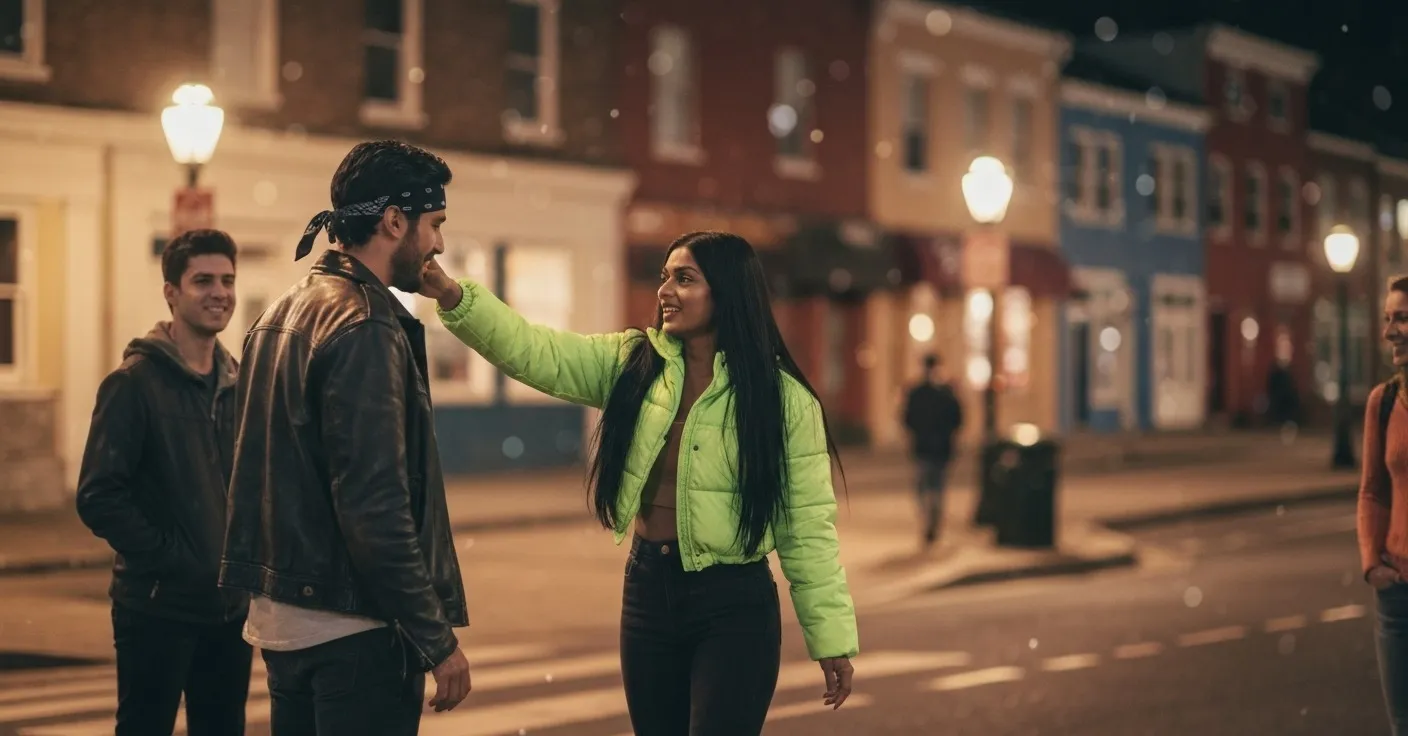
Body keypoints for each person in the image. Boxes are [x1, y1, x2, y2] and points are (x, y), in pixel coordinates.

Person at [420, 230, 859, 735]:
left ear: (729, 291)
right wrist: (455, 297)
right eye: (665, 277)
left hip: (733, 603)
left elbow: (807, 528)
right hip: (649, 591)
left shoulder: (782, 400)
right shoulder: (633, 364)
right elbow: (536, 352)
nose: (665, 291)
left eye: (685, 278)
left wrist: (831, 637)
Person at [220, 140, 471, 736]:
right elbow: (375, 504)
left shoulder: (280, 311)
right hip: (353, 627)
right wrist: (436, 640)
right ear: (393, 221)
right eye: (434, 225)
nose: (438, 244)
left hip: (285, 618)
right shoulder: (364, 322)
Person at [75, 229, 251, 736]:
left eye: (227, 280)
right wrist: (174, 560)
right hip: (157, 608)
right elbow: (99, 496)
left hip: (230, 611)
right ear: (171, 291)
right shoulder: (133, 384)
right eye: (203, 280)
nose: (219, 292)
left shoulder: (240, 383)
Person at [1364, 274, 1408, 735]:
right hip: (1397, 595)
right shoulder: (1384, 401)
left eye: (1402, 318)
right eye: (1386, 319)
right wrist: (1371, 564)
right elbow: (1371, 490)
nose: (1389, 331)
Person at [902, 353, 964, 548]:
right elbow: (958, 419)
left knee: (927, 486)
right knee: (935, 486)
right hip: (938, 448)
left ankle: (930, 520)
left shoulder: (919, 392)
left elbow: (907, 418)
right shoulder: (944, 392)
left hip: (927, 447)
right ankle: (932, 520)